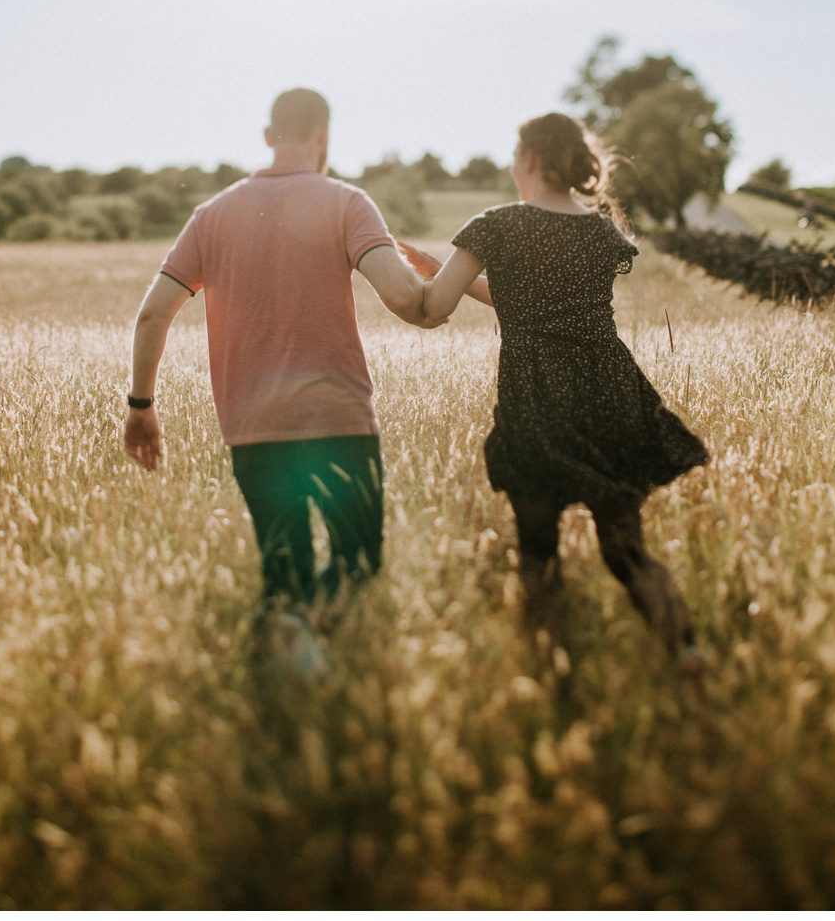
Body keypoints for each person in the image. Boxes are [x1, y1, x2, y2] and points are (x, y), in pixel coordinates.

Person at [398, 113, 709, 648]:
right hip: (611, 389)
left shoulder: (496, 224)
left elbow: (433, 309)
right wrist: (452, 273)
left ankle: (549, 669)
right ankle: (688, 650)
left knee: (538, 548)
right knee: (625, 549)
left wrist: (407, 273)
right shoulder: (598, 229)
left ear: (530, 160)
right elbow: (537, 299)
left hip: (537, 394)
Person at [121, 88, 434, 613]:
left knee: (283, 573)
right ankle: (327, 656)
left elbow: (153, 314)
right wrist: (445, 284)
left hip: (255, 429)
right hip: (339, 422)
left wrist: (141, 408)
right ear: (323, 136)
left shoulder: (211, 215)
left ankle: (289, 647)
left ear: (268, 137)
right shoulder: (347, 203)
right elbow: (405, 299)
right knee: (358, 565)